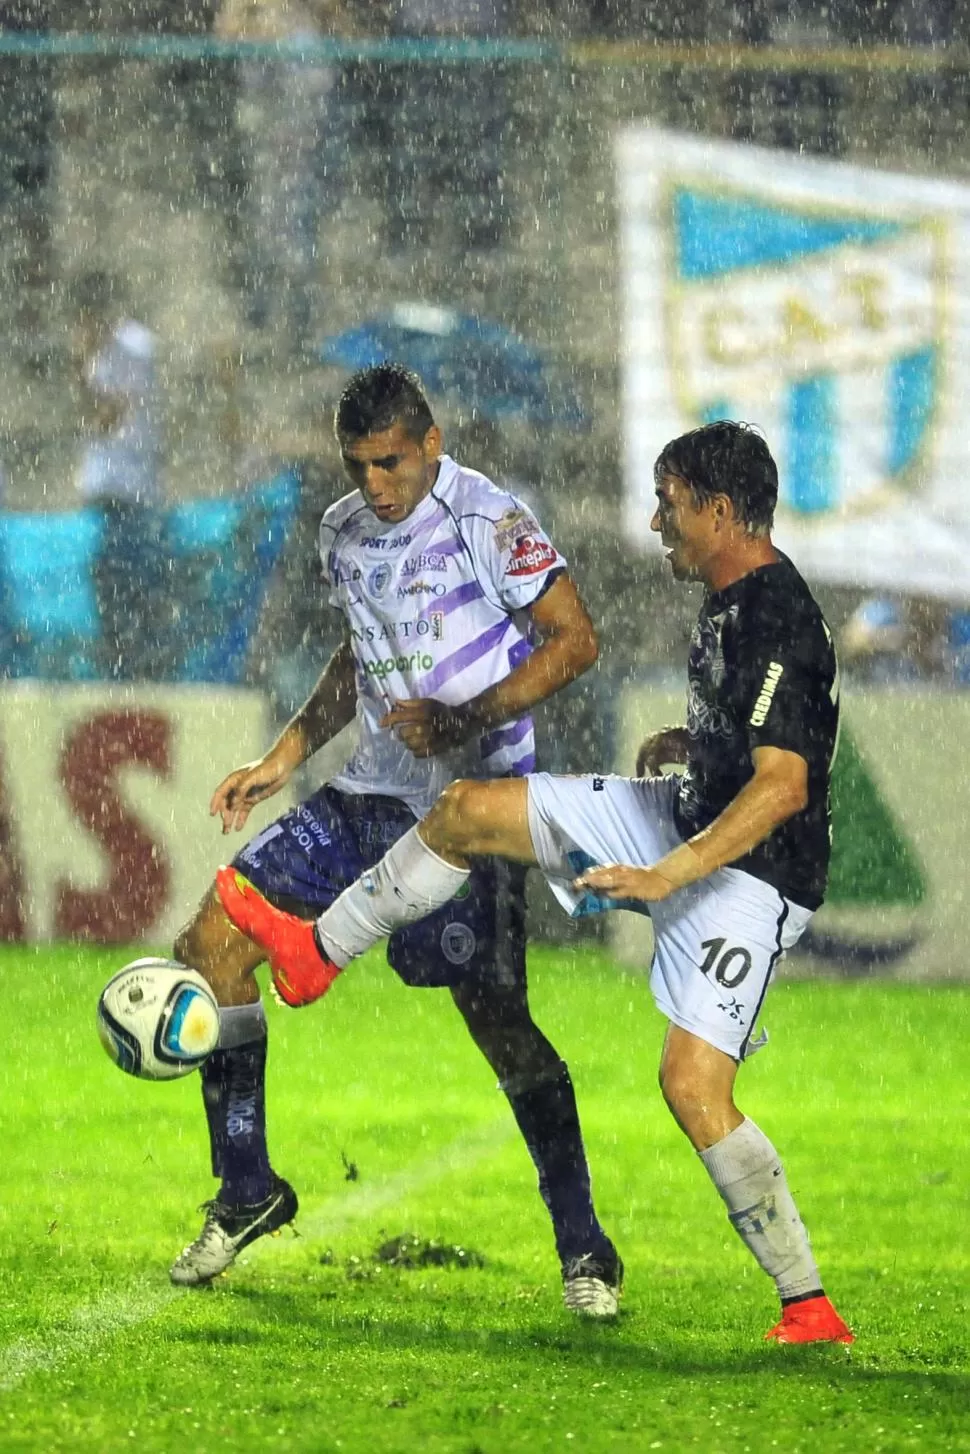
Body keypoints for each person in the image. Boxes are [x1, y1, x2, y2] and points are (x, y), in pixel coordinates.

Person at [217, 419, 855, 1346]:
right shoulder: (734, 594)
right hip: (683, 813)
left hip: (752, 874)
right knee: (469, 808)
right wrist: (691, 753)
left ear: (720, 511)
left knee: (691, 1088)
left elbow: (785, 785)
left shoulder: (773, 614)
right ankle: (315, 954)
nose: (655, 522)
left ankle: (810, 1308)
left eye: (670, 505)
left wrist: (664, 874)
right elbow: (753, 745)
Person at [170, 363, 622, 1317]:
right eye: (356, 465)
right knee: (210, 945)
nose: (373, 485)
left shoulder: (491, 521)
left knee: (499, 1026)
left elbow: (576, 641)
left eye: (388, 463)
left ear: (430, 444)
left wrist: (474, 715)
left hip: (470, 803)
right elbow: (358, 652)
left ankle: (585, 1245)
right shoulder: (341, 530)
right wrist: (283, 755)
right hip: (365, 792)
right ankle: (247, 1187)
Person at [71, 268, 163, 681]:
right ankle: (117, 665)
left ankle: (131, 670)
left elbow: (106, 417)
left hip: (128, 489)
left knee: (126, 588)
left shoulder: (132, 349)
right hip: (109, 488)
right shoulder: (111, 348)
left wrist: (81, 364)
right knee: (107, 587)